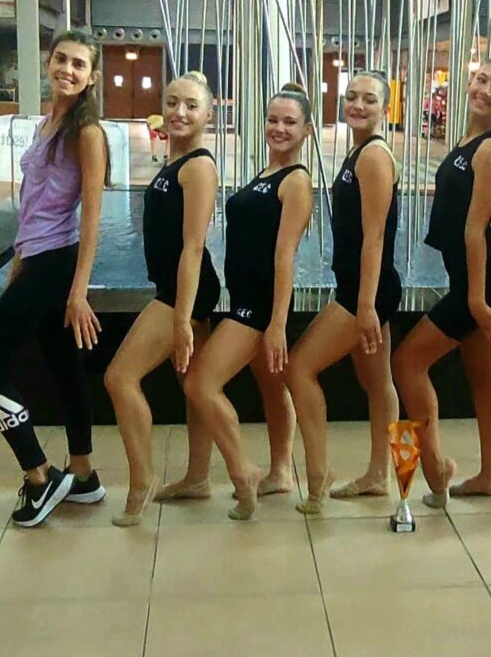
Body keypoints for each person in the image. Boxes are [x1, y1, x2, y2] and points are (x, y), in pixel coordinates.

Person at [0, 31, 110, 526]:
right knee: (63, 366)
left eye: (78, 64)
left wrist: (79, 290)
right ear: (49, 63)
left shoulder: (86, 133)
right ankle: (83, 475)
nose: (67, 69)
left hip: (57, 263)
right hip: (36, 259)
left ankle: (38, 473)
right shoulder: (47, 125)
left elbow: (92, 216)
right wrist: (17, 257)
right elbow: (33, 201)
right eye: (61, 59)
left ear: (92, 77)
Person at [180, 84, 314, 520]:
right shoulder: (266, 174)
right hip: (246, 298)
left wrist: (276, 323)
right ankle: (281, 471)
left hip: (257, 307)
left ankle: (245, 471)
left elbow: (285, 256)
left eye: (290, 122)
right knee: (272, 387)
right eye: (273, 120)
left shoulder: (296, 181)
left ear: (307, 130)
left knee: (200, 383)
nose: (279, 128)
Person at [391, 56, 491, 507]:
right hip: (469, 278)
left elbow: (475, 230)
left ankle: (436, 465)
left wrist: (477, 300)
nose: (485, 90)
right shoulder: (468, 141)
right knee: (484, 377)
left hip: (478, 283)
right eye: (482, 80)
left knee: (407, 362)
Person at [105, 71, 220, 526]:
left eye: (191, 105)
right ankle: (199, 477)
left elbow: (193, 247)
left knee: (120, 378)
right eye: (172, 103)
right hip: (178, 288)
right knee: (194, 387)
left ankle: (142, 480)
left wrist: (181, 319)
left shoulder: (198, 167)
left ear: (209, 114)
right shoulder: (176, 161)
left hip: (181, 292)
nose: (179, 112)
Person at [285, 71, 401, 514]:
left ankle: (319, 476)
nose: (357, 104)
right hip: (365, 286)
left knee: (299, 368)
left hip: (364, 291)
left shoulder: (374, 156)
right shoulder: (359, 150)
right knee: (378, 382)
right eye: (351, 96)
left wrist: (366, 305)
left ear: (385, 108)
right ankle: (380, 474)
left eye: (369, 99)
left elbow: (375, 237)